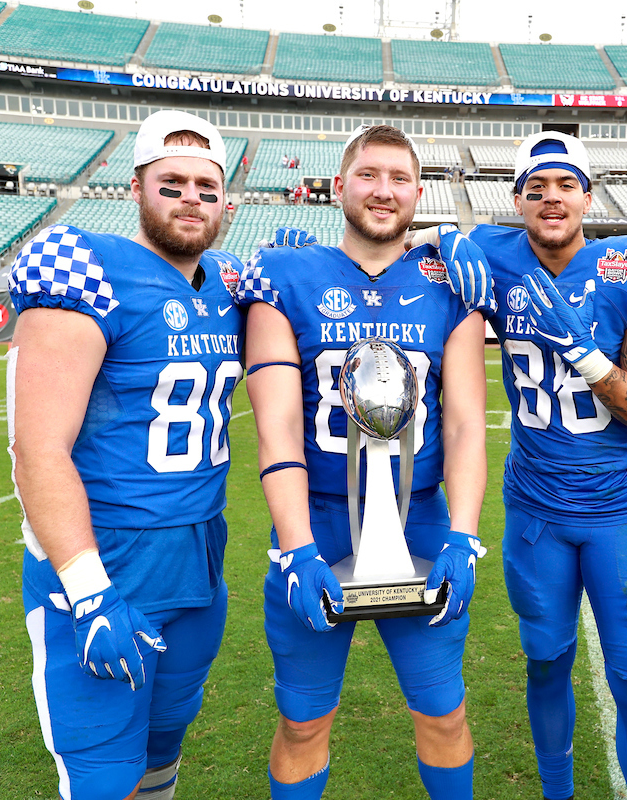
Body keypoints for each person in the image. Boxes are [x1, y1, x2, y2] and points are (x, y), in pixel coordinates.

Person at [414, 131, 627, 800]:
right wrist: (442, 236)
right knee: (545, 661)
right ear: (518, 200)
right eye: (536, 187)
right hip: (537, 512)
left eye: (565, 185)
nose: (551, 197)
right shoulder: (492, 255)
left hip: (621, 509)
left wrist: (584, 351)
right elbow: (392, 261)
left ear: (588, 197)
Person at [236, 124, 489, 800]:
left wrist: (464, 535)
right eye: (369, 175)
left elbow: (465, 421)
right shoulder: (285, 274)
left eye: (399, 178)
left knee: (444, 712)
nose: (384, 191)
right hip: (316, 524)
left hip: (424, 519)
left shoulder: (450, 280)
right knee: (302, 722)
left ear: (418, 193)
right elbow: (280, 424)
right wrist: (294, 547)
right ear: (339, 185)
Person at [7, 109, 245, 800]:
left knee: (163, 748)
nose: (190, 198)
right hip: (105, 561)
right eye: (171, 183)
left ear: (226, 200)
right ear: (135, 189)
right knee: (103, 777)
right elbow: (37, 447)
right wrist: (88, 590)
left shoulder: (229, 284)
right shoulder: (87, 270)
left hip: (199, 559)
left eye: (206, 185)